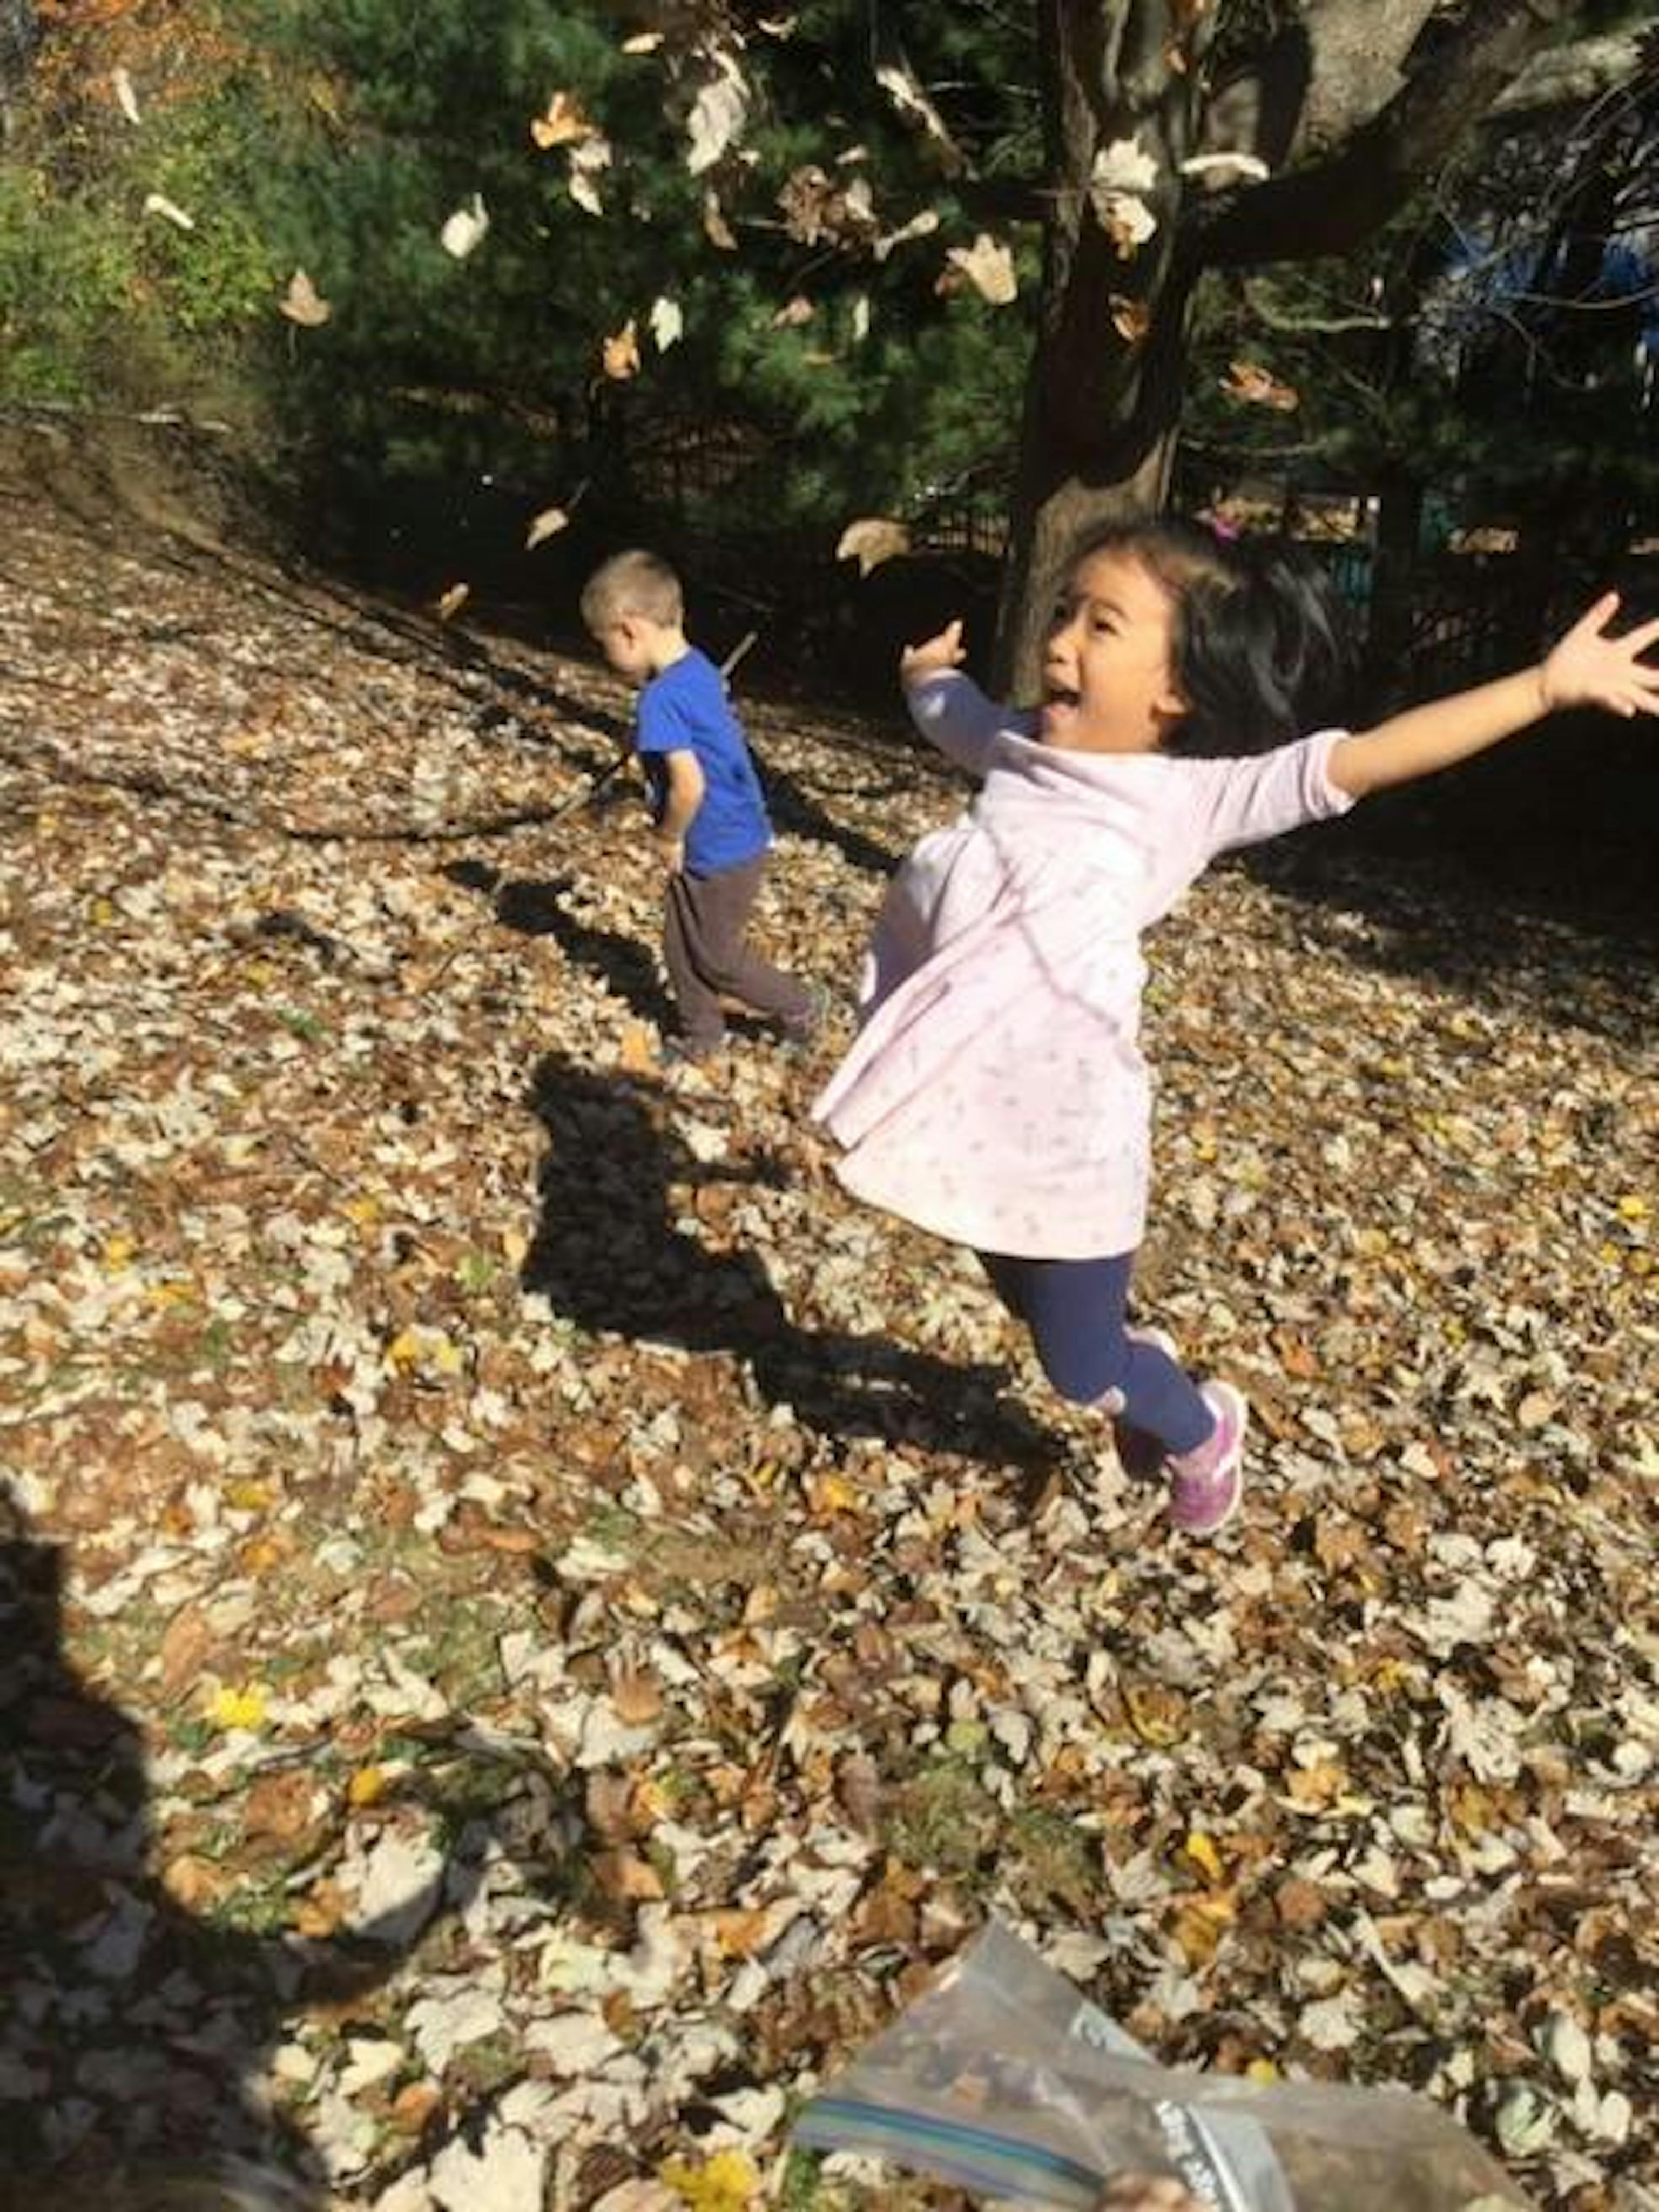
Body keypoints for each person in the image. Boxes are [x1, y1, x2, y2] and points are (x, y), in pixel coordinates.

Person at [814, 517, 1658, 1535]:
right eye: (1065, 611)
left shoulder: (1189, 798)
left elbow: (1367, 758)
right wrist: (924, 675)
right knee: (1023, 1294)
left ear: (1176, 690)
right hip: (971, 1102)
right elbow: (953, 712)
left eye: (1101, 625)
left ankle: (1199, 1426)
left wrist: (1543, 688)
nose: (1058, 640)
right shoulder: (1020, 744)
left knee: (1076, 1366)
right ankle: (1130, 1363)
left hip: (1070, 1134)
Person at [580, 549, 820, 1064]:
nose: (606, 657)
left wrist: (667, 836)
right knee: (678, 944)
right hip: (732, 833)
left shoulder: (659, 699)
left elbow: (689, 787)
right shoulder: (699, 668)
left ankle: (800, 1004)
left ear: (630, 631)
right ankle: (701, 1036)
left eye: (604, 645)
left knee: (716, 956)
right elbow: (703, 733)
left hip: (717, 846)